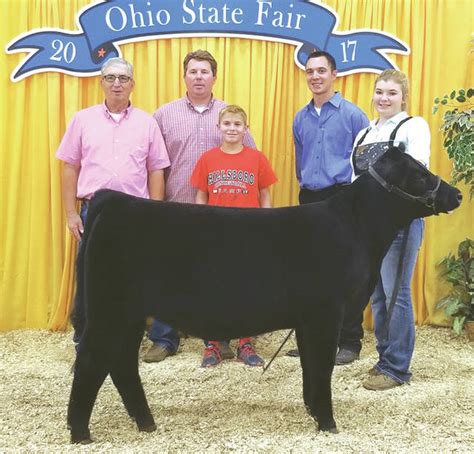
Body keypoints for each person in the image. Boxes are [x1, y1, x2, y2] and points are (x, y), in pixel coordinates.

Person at [144, 50, 257, 363]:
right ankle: (165, 338)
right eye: (192, 71)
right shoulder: (163, 115)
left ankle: (220, 337)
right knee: (169, 275)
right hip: (175, 208)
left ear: (214, 77)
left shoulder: (230, 116)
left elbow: (251, 164)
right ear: (184, 76)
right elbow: (153, 164)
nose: (198, 77)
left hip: (220, 216)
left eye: (204, 72)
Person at [56, 57, 170, 348]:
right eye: (110, 77)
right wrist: (71, 213)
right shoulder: (82, 120)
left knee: (135, 275)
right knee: (91, 276)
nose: (117, 83)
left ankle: (128, 336)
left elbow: (156, 169)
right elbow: (70, 167)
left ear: (132, 84)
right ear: (101, 82)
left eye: (123, 78)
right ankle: (86, 336)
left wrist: (155, 213)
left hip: (135, 212)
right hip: (95, 210)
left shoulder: (147, 122)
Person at [351, 69, 430, 390]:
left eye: (391, 93)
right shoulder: (364, 133)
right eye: (380, 91)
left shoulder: (414, 126)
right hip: (369, 226)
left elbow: (415, 173)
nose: (384, 98)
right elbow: (354, 182)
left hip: (398, 223)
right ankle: (385, 357)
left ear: (403, 97)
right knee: (379, 295)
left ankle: (397, 368)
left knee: (397, 294)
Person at [290, 50, 369, 361]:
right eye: (310, 71)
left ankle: (349, 342)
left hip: (342, 199)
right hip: (309, 198)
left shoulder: (353, 115)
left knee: (346, 273)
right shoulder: (301, 117)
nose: (315, 77)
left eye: (321, 71)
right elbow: (300, 162)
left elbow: (364, 163)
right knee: (309, 273)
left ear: (334, 75)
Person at [190, 105, 278, 367]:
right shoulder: (208, 158)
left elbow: (264, 193)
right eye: (227, 123)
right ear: (218, 128)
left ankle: (245, 343)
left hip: (248, 232)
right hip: (217, 232)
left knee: (247, 288)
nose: (232, 128)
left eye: (237, 124)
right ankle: (213, 345)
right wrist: (200, 225)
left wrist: (267, 224)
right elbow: (201, 194)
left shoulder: (256, 158)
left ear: (245, 128)